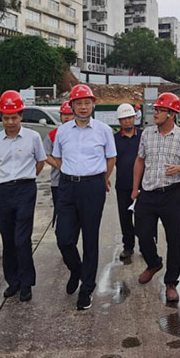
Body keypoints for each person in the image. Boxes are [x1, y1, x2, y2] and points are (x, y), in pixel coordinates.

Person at [52, 84, 117, 310]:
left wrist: (101, 179)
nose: (82, 107)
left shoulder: (103, 130)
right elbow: (57, 158)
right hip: (67, 186)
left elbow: (111, 158)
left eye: (86, 103)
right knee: (64, 238)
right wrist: (71, 173)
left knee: (90, 239)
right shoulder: (63, 131)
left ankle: (87, 288)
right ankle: (76, 270)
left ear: (93, 105)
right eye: (78, 103)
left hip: (92, 187)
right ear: (71, 106)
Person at [131, 92, 180, 303]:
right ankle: (153, 263)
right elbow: (140, 161)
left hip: (171, 194)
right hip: (148, 193)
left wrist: (179, 168)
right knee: (142, 233)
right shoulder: (147, 134)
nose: (155, 113)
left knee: (173, 239)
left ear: (171, 114)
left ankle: (171, 283)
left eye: (160, 110)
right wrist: (135, 188)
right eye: (156, 110)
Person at [0, 90, 47, 303]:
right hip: (4, 192)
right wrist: (8, 180)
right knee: (8, 239)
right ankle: (13, 281)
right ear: (1, 117)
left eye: (14, 117)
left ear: (21, 116)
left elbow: (40, 162)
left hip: (25, 190)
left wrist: (26, 179)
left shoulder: (33, 137)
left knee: (22, 239)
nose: (10, 122)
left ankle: (26, 283)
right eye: (6, 118)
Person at [113, 103, 142, 260]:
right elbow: (109, 160)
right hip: (123, 185)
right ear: (119, 121)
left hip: (143, 185)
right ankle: (128, 246)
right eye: (124, 119)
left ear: (134, 118)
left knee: (144, 218)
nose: (127, 121)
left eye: (130, 118)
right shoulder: (115, 139)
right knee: (125, 218)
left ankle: (146, 245)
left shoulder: (143, 136)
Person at [43, 101, 75, 226]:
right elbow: (45, 154)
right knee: (61, 211)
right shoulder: (53, 135)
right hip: (58, 181)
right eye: (64, 115)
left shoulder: (80, 134)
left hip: (77, 181)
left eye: (70, 114)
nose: (67, 117)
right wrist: (60, 166)